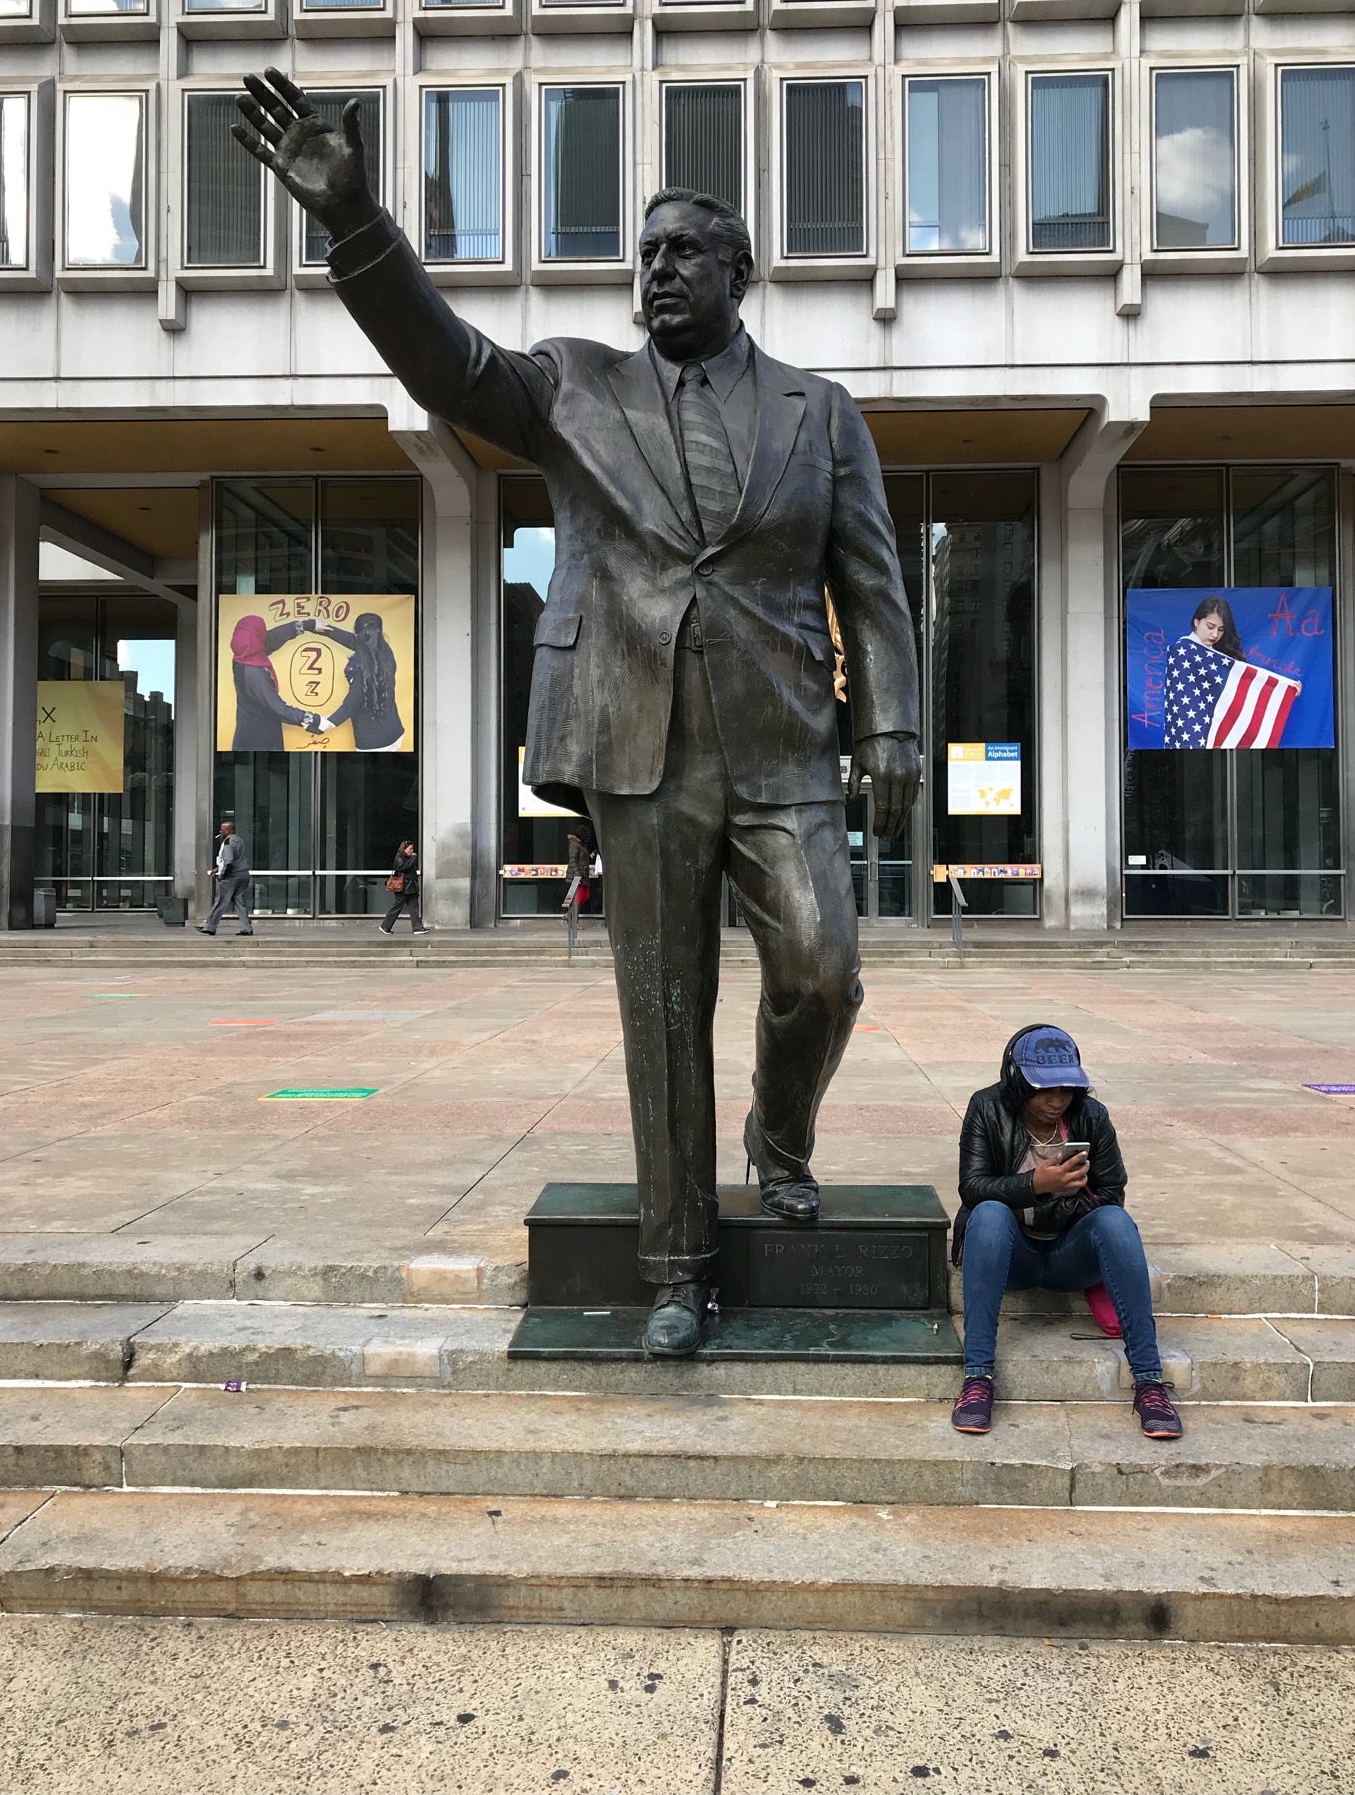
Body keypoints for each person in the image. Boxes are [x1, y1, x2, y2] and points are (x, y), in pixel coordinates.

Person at [232, 70, 921, 1360]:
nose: (658, 271)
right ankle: (676, 1264)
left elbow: (873, 582)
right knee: (661, 1009)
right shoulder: (577, 386)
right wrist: (357, 227)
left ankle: (779, 1138)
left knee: (822, 971)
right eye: (645, 254)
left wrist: (890, 722)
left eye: (684, 253)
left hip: (782, 740)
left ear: (739, 274)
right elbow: (451, 367)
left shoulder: (819, 411)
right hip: (633, 738)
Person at [950, 1024, 1182, 1441]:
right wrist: (1035, 1185)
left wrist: (1047, 1204)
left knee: (1116, 1222)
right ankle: (977, 1377)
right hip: (1012, 1256)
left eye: (1067, 1089)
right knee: (987, 1214)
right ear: (1018, 1081)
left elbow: (1111, 1194)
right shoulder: (986, 1108)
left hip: (1069, 1257)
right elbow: (972, 1187)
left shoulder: (1091, 1116)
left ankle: (1149, 1381)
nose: (1057, 1101)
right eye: (1044, 1089)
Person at [311, 612, 406, 750]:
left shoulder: (361, 669)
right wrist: (325, 629)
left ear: (357, 633)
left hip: (373, 743)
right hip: (395, 731)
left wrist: (325, 724)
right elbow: (354, 641)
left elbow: (350, 705)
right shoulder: (386, 653)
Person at [228, 615, 321, 751]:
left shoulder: (243, 655)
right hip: (258, 742)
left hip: (250, 733)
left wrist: (307, 625)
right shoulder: (254, 673)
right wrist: (313, 720)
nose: (265, 636)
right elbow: (278, 708)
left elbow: (271, 638)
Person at [199, 820, 253, 936]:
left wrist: (222, 874)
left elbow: (228, 861)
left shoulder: (227, 842)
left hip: (231, 877)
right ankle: (247, 928)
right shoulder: (239, 840)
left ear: (229, 830)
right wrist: (217, 868)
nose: (220, 831)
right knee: (240, 902)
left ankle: (210, 927)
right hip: (243, 875)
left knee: (220, 901)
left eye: (223, 829)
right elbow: (236, 859)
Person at [380, 839, 426, 936]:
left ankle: (417, 927)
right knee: (397, 907)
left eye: (412, 849)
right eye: (410, 849)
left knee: (414, 908)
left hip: (411, 887)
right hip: (403, 888)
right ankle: (385, 926)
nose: (412, 851)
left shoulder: (408, 858)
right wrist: (413, 858)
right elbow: (404, 867)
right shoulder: (399, 857)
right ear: (404, 849)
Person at [1186, 596, 1244, 661]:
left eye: (1221, 629)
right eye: (1210, 627)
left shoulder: (1226, 657)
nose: (1215, 635)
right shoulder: (1181, 650)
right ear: (1196, 622)